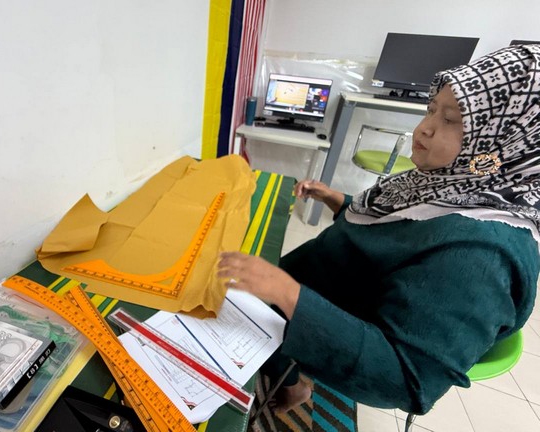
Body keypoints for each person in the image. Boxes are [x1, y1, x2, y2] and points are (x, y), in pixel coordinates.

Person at [218, 44, 540, 415]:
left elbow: (406, 380)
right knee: (241, 298)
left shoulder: (480, 258)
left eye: (452, 119)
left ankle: (292, 387)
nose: (425, 127)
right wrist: (339, 201)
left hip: (339, 319)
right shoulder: (454, 185)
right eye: (432, 109)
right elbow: (400, 234)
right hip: (323, 286)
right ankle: (287, 372)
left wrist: (287, 294)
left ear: (505, 142)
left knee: (235, 312)